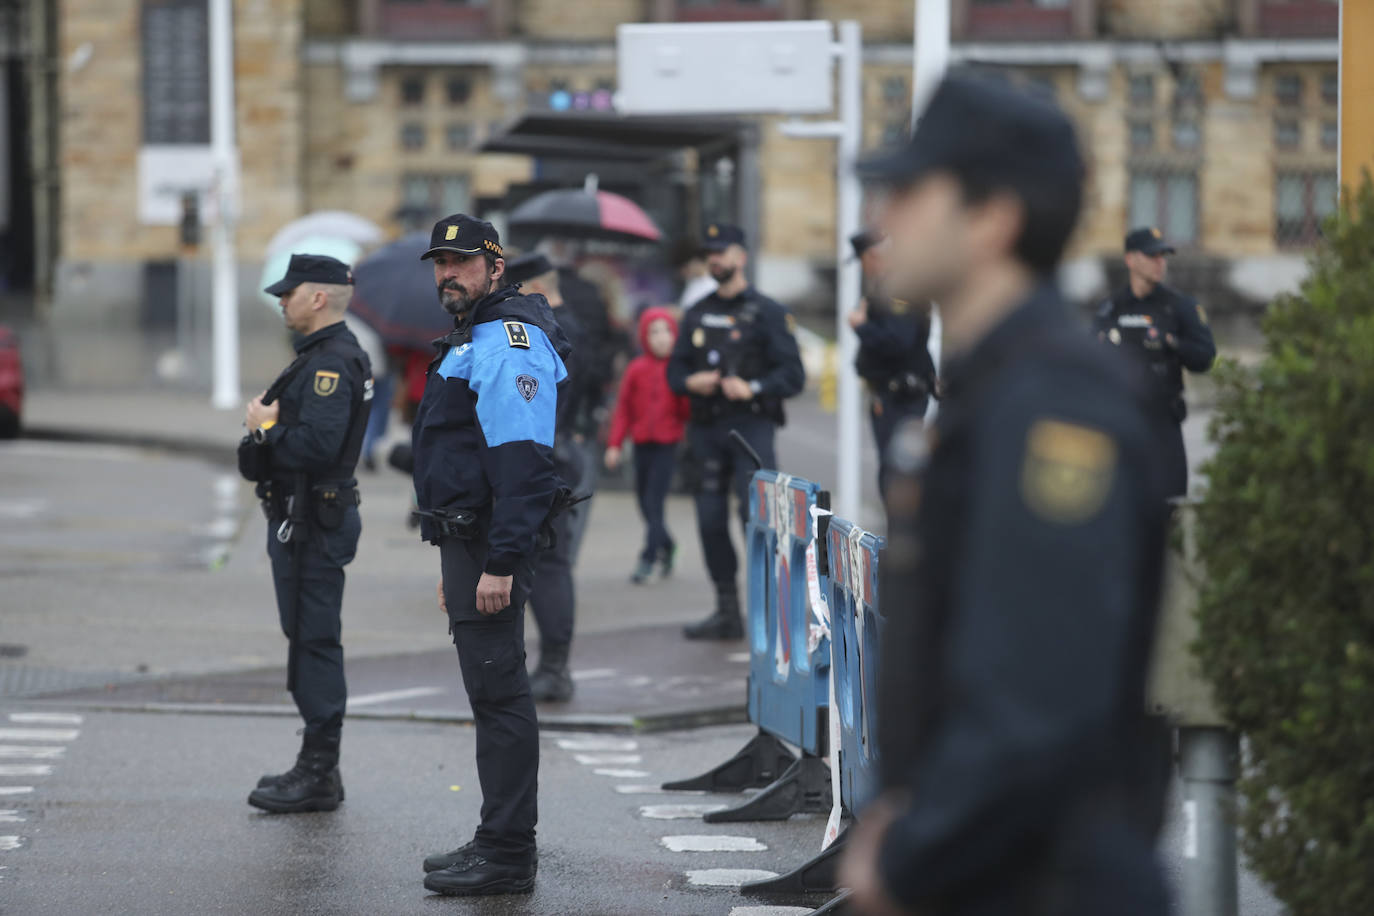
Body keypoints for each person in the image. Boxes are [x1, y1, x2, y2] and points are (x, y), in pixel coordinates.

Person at [839, 74, 1173, 916]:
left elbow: (1038, 702)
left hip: (1039, 882)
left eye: (912, 190)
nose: (886, 215)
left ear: (994, 217)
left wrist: (908, 856)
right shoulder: (997, 387)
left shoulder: (1057, 401)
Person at [410, 215, 571, 897]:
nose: (448, 273)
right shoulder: (472, 333)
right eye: (440, 263)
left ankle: (508, 853)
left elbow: (524, 464)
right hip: (466, 540)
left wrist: (499, 561)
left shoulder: (508, 338)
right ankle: (497, 836)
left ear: (495, 267)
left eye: (462, 262)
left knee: (502, 696)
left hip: (488, 542)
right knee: (490, 693)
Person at [239, 253, 372, 814]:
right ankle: (321, 768)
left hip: (313, 521)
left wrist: (265, 432)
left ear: (317, 298)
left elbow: (316, 447)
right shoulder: (318, 356)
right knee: (306, 635)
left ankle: (318, 770)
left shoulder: (330, 364)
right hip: (304, 517)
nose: (280, 300)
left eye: (288, 292)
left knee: (315, 640)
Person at [666, 223, 806, 640]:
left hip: (751, 430)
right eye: (709, 252)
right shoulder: (697, 310)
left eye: (721, 252)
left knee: (759, 521)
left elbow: (793, 375)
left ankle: (774, 615)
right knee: (710, 521)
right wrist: (692, 382)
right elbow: (676, 370)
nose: (714, 259)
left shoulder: (768, 312)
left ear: (741, 257)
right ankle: (727, 612)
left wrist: (754, 387)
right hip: (707, 430)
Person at [504, 251, 585, 703]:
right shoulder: (563, 323)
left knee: (551, 565)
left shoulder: (555, 329)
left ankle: (555, 667)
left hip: (550, 455)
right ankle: (551, 665)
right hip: (557, 449)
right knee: (548, 564)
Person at [1095, 227, 1216, 497]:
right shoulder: (1111, 308)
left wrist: (1172, 343)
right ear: (1130, 260)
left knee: (1169, 506)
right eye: (1152, 256)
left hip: (1164, 425)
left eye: (1163, 256)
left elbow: (1204, 357)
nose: (1160, 262)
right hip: (1122, 423)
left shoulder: (1178, 306)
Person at [847, 230, 938, 497]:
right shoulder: (886, 287)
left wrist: (862, 327)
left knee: (897, 473)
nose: (864, 268)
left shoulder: (899, 287)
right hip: (889, 393)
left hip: (901, 395)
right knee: (890, 472)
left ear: (873, 256)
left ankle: (901, 534)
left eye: (863, 260)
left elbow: (900, 341)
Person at [604, 306, 692, 584]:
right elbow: (623, 410)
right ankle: (667, 545)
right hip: (641, 444)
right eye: (654, 332)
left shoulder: (679, 369)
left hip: (668, 444)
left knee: (655, 502)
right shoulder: (636, 369)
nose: (662, 338)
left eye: (667, 331)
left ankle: (648, 557)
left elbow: (687, 410)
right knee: (644, 504)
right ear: (644, 336)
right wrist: (614, 444)